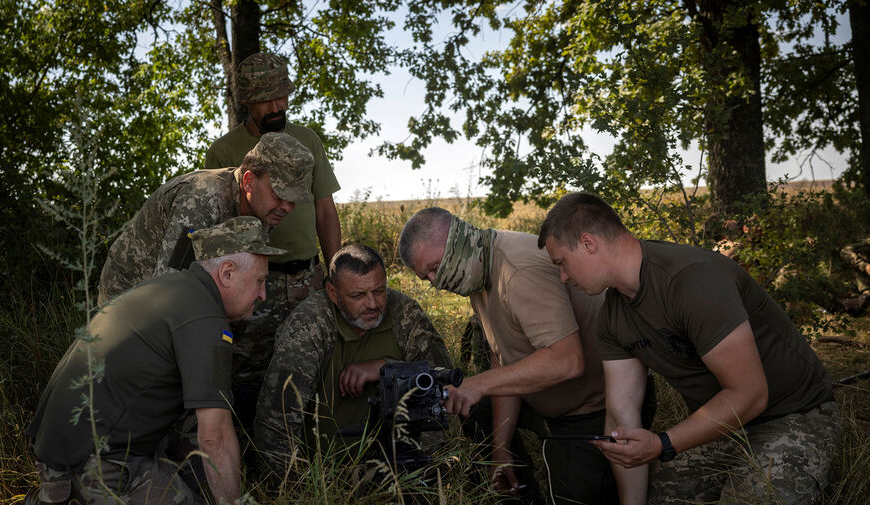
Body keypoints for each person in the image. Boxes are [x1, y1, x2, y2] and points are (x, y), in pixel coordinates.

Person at [538, 192, 841, 505]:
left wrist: (663, 444)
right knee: (662, 496)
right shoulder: (612, 318)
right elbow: (620, 418)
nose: (563, 277)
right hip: (720, 429)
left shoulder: (691, 280)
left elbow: (750, 394)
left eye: (562, 263)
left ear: (588, 243)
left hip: (794, 415)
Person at [26, 216, 281, 505]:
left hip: (56, 446)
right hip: (92, 463)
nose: (262, 294)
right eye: (260, 281)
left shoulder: (171, 287)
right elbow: (215, 437)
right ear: (227, 273)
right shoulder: (205, 318)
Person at [399, 207, 625, 505]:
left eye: (435, 266)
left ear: (455, 238)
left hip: (594, 410)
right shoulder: (475, 269)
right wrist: (500, 448)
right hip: (548, 400)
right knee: (475, 413)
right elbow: (503, 356)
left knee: (571, 498)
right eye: (427, 277)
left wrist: (478, 384)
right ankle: (519, 490)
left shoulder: (515, 270)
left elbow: (568, 361)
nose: (437, 282)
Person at [205, 53, 343, 421]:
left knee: (314, 370)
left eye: (282, 95)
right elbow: (216, 228)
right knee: (247, 377)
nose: (277, 106)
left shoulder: (307, 141)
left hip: (307, 281)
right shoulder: (224, 151)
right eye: (266, 99)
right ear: (247, 101)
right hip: (251, 286)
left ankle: (308, 453)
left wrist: (336, 274)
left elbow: (326, 213)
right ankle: (249, 456)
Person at [253, 243, 453, 480]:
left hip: (400, 468)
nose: (372, 304)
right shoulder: (309, 325)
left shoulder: (404, 312)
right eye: (357, 295)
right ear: (333, 293)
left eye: (379, 291)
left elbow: (446, 389)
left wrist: (387, 368)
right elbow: (276, 423)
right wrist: (297, 489)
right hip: (323, 474)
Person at [97, 131, 312, 305]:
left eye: (293, 199)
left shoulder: (262, 206)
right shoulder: (201, 200)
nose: (287, 207)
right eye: (279, 195)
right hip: (130, 293)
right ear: (248, 182)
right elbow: (169, 288)